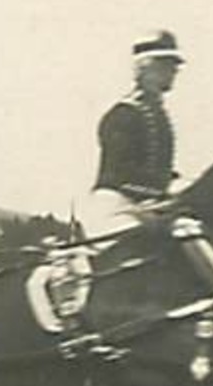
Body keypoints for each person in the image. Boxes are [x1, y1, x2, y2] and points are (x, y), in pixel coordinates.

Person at [78, 29, 185, 238]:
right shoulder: (124, 113)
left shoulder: (157, 114)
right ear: (145, 67)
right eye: (166, 65)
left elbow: (158, 170)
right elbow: (118, 176)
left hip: (144, 206)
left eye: (173, 66)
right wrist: (164, 192)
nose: (173, 72)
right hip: (116, 208)